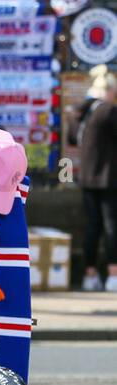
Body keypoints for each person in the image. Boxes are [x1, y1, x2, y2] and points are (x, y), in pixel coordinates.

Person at [73, 70, 117, 293]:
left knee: (93, 226)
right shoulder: (109, 111)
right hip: (109, 178)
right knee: (112, 226)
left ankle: (90, 275)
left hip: (87, 178)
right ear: (109, 90)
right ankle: (113, 275)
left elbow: (72, 137)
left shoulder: (84, 111)